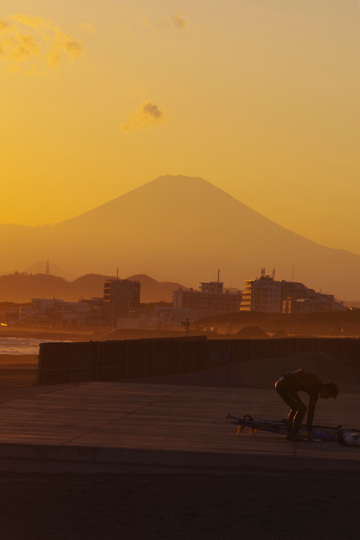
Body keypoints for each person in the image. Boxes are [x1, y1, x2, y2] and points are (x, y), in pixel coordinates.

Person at [275, 369, 339, 442]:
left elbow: (311, 412)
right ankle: (294, 434)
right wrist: (309, 432)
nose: (326, 398)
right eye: (329, 396)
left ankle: (290, 434)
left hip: (281, 384)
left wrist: (309, 431)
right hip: (284, 386)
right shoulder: (316, 386)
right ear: (326, 389)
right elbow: (310, 412)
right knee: (302, 408)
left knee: (295, 408)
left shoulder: (317, 384)